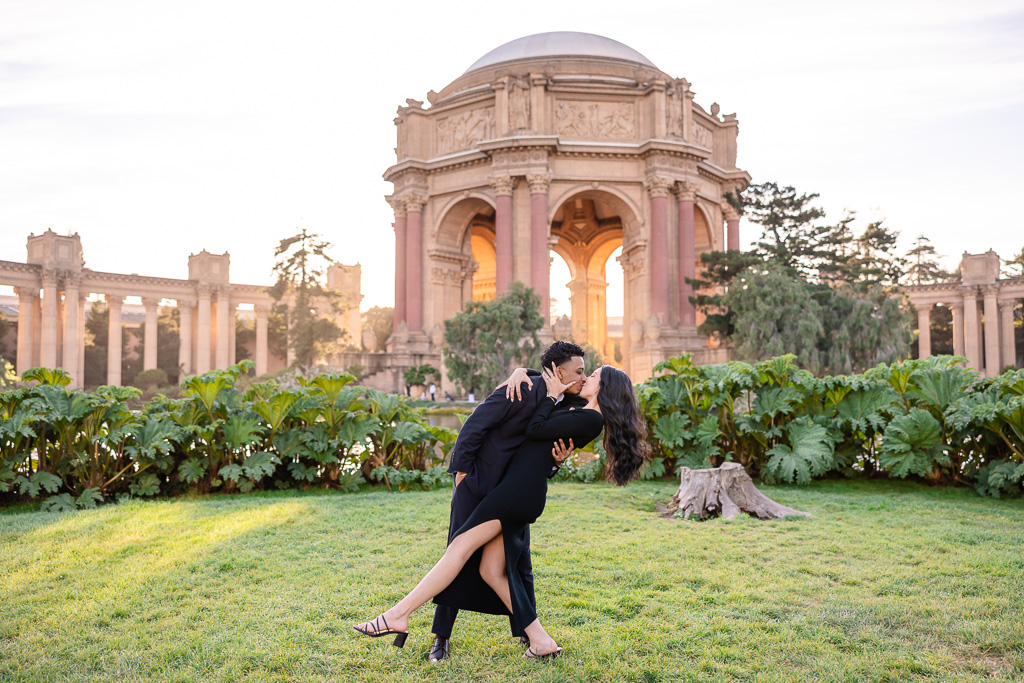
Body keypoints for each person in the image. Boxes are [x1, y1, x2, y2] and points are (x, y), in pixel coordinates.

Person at [353, 361, 650, 660]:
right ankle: (540, 641)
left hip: (517, 494)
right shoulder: (580, 410)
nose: (586, 378)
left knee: (459, 548)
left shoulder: (591, 420)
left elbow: (536, 429)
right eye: (585, 372)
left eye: (594, 376)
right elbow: (546, 407)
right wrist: (522, 372)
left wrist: (548, 401)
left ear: (606, 388)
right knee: (491, 571)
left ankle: (397, 615)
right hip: (518, 491)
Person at [425, 341, 588, 663]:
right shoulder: (521, 388)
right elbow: (474, 426)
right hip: (478, 486)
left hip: (513, 495)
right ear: (558, 370)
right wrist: (460, 474)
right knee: (458, 556)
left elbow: (543, 458)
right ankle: (440, 638)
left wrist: (557, 463)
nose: (583, 377)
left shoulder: (564, 405)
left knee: (520, 564)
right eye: (579, 371)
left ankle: (530, 634)